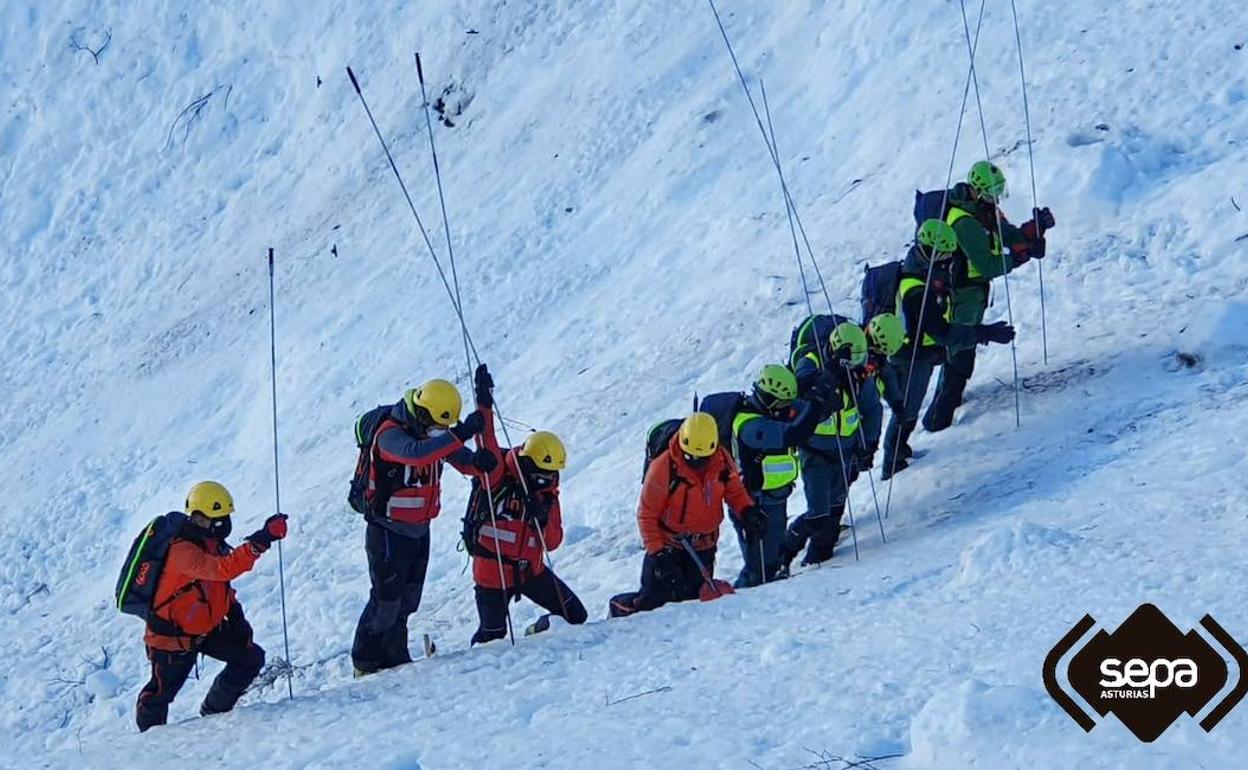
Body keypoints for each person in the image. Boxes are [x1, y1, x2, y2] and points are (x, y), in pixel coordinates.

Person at [351, 377, 496, 676]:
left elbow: (458, 457)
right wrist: (460, 433)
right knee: (385, 601)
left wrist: (478, 461)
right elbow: (416, 453)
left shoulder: (433, 432)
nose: (439, 432)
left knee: (407, 602)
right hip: (388, 530)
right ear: (421, 413)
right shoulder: (389, 433)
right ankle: (364, 662)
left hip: (419, 530)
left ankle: (395, 659)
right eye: (436, 425)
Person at [135, 481, 287, 732]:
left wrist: (235, 615)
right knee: (159, 695)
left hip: (204, 629)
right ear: (199, 518)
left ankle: (215, 713)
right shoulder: (182, 551)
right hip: (172, 638)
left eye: (225, 518)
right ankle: (149, 743)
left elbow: (219, 585)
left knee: (250, 658)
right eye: (218, 519)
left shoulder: (210, 543)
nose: (223, 524)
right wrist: (262, 540)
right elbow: (222, 569)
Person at [924, 161, 1054, 432]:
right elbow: (988, 264)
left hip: (976, 292)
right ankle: (939, 418)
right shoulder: (964, 222)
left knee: (964, 349)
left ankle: (949, 402)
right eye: (993, 192)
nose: (996, 197)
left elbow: (1006, 234)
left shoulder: (984, 210)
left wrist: (1033, 230)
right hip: (962, 295)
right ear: (978, 189)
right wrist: (1022, 256)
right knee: (960, 351)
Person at [462, 365, 587, 644]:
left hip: (531, 571)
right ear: (530, 464)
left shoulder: (547, 494)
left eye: (553, 474)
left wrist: (540, 518)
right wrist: (484, 401)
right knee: (492, 637)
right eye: (544, 473)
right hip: (492, 574)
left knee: (575, 616)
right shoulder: (499, 477)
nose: (549, 479)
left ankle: (538, 631)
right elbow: (487, 440)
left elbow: (552, 542)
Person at [881, 219, 1016, 479]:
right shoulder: (917, 291)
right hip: (910, 357)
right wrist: (983, 333)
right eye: (942, 256)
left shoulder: (919, 272)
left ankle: (899, 451)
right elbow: (941, 332)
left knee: (908, 407)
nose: (946, 262)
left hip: (916, 352)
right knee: (907, 409)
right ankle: (893, 463)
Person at [609, 413, 762, 616]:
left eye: (702, 458)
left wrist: (747, 511)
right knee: (650, 605)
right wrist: (658, 553)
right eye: (691, 457)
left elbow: (734, 491)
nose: (696, 462)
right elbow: (646, 514)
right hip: (668, 546)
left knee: (692, 603)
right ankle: (619, 608)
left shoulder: (722, 462)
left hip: (704, 547)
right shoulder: (663, 467)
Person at [780, 320, 878, 570]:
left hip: (847, 451)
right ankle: (785, 553)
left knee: (835, 508)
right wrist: (827, 380)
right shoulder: (810, 363)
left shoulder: (858, 375)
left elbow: (871, 407)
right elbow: (800, 394)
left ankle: (820, 555)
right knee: (818, 513)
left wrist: (869, 444)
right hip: (816, 454)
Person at [727, 364, 821, 587]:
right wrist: (816, 405)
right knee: (759, 569)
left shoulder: (770, 411)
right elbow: (793, 434)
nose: (785, 410)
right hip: (754, 504)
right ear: (768, 398)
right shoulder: (751, 425)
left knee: (770, 560)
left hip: (774, 499)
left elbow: (800, 413)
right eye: (781, 404)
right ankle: (741, 602)